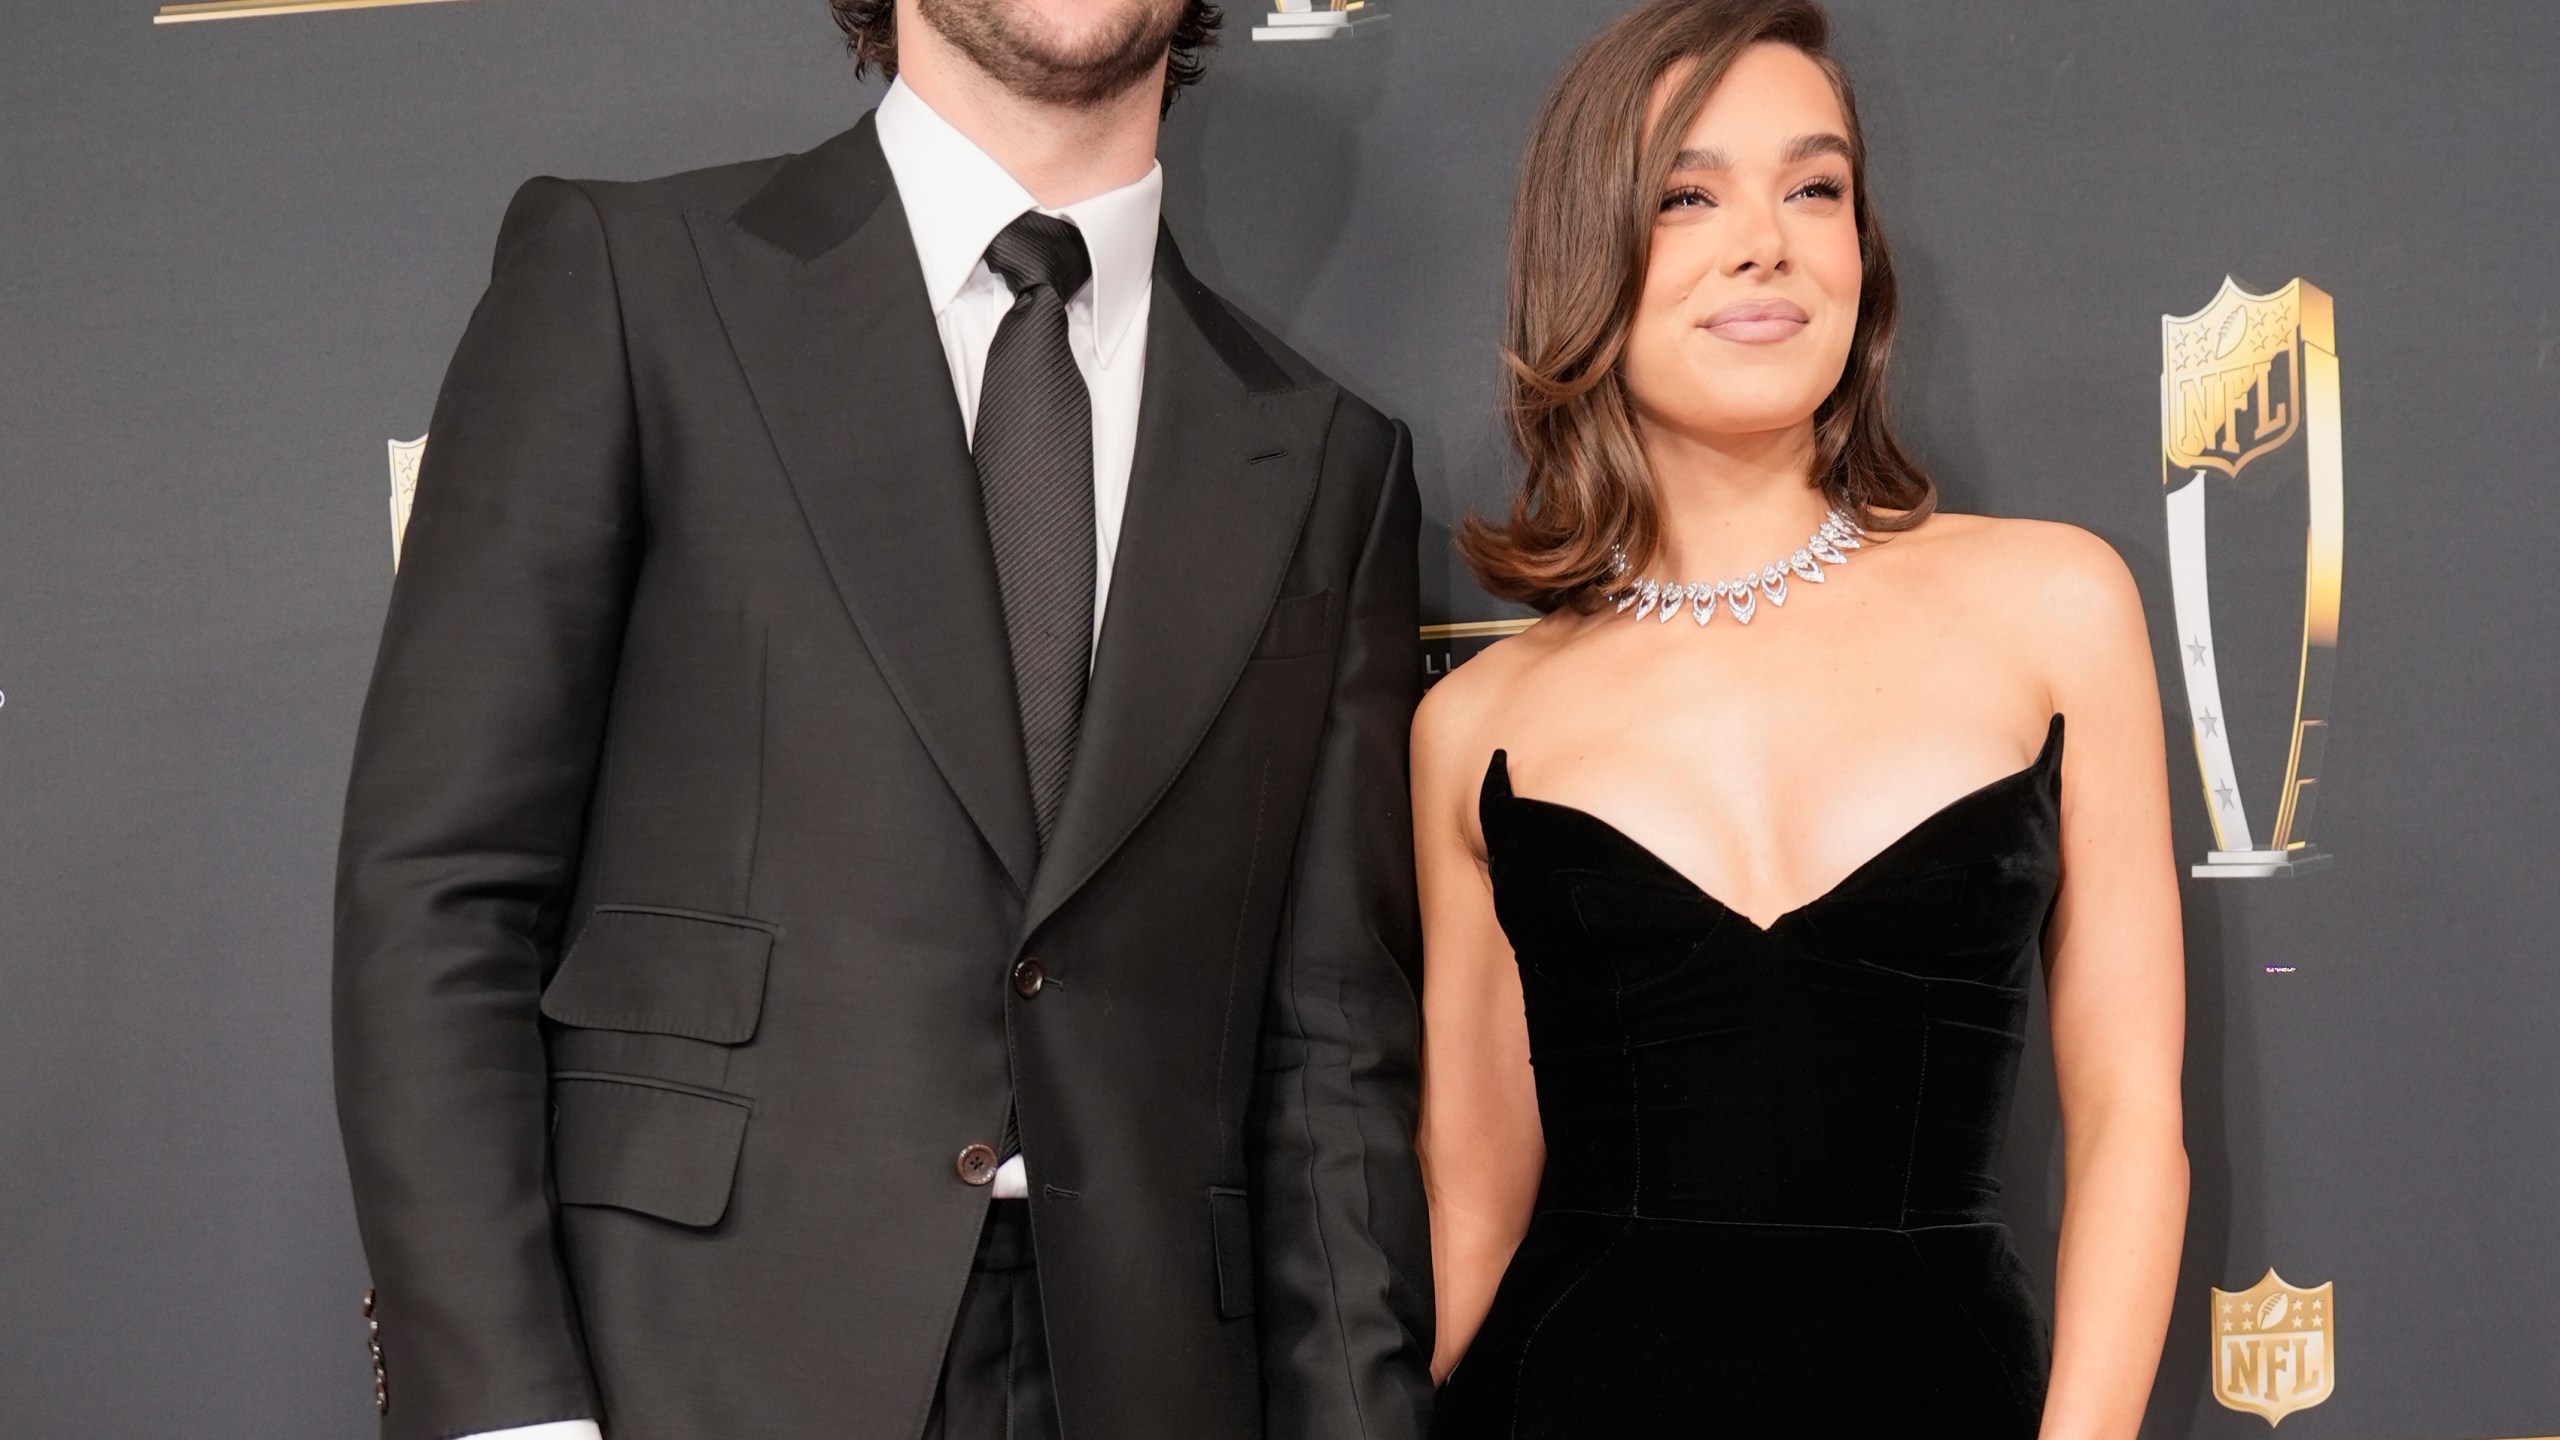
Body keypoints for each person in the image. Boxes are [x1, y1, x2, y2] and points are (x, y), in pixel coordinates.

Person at [331, 1, 1434, 1437]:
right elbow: (442, 888)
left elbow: (1330, 1059)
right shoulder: (631, 280)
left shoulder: (1329, 457)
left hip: (1152, 1376)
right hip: (687, 1363)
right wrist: (502, 1410)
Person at [1411, 1, 2188, 1434]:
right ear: (1586, 259)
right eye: (1688, 194)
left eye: (1814, 187)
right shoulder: (1479, 723)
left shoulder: (2056, 604)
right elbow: (1474, 1197)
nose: (1765, 238)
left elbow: (2134, 1115)